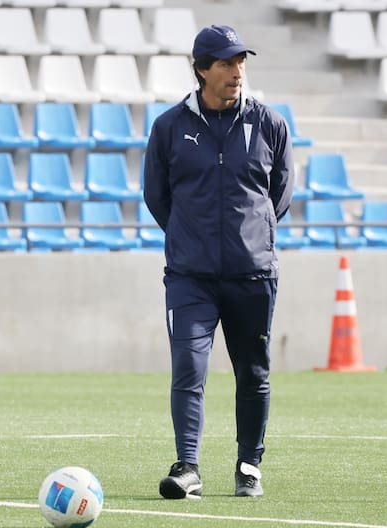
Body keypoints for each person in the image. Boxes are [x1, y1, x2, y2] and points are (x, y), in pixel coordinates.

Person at [143, 24, 295, 499]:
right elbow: (157, 197)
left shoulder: (270, 124)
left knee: (253, 373)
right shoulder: (169, 127)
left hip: (253, 274)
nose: (237, 72)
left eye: (241, 62)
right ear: (202, 70)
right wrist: (193, 238)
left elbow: (279, 195)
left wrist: (250, 236)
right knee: (189, 368)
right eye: (227, 64)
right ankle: (188, 467)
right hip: (190, 277)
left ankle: (249, 467)